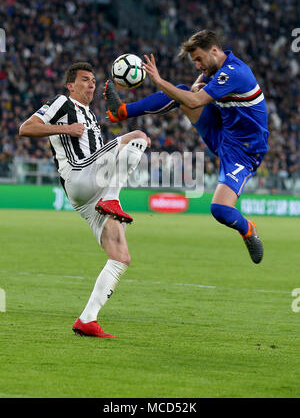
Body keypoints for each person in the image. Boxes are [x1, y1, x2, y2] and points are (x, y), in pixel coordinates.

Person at [104, 30, 269, 264]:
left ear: (214, 50)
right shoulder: (217, 70)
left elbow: (194, 100)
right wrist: (193, 87)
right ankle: (121, 112)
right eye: (195, 62)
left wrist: (159, 81)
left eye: (199, 59)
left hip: (245, 151)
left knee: (221, 211)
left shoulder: (235, 73)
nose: (198, 65)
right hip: (222, 130)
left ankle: (248, 229)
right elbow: (193, 93)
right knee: (181, 90)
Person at [19, 62, 150, 338]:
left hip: (90, 194)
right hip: (79, 175)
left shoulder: (90, 115)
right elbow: (26, 128)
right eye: (85, 80)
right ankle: (113, 198)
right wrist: (65, 130)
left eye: (93, 80)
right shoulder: (61, 103)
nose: (91, 84)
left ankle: (87, 319)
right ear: (70, 85)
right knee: (138, 137)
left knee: (120, 257)